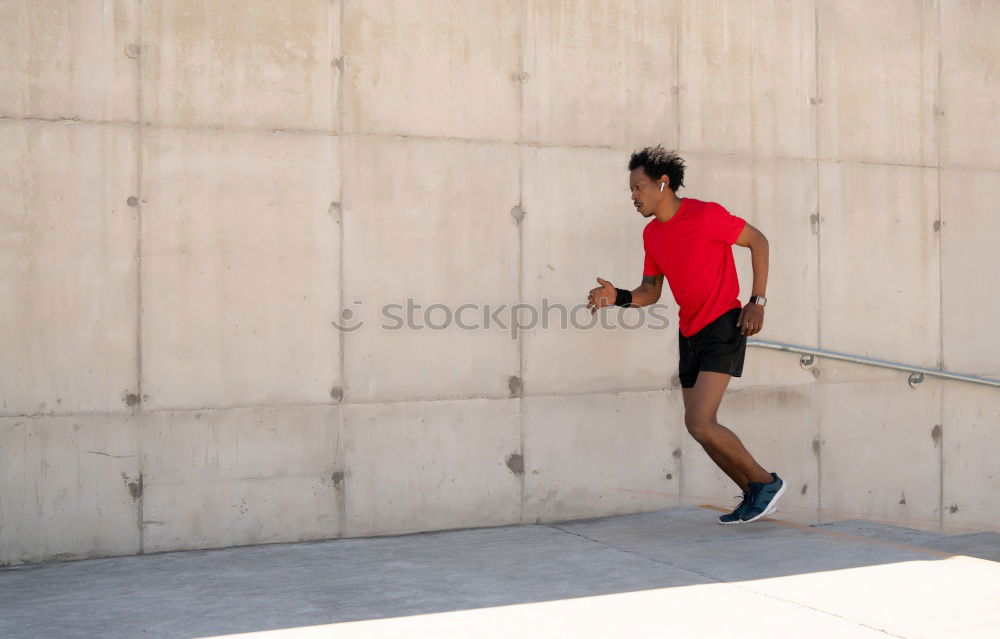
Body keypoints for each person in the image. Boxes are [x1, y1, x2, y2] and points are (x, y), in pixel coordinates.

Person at [586, 145, 784, 524]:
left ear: (663, 183)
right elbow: (651, 291)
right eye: (631, 190)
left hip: (723, 324)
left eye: (638, 188)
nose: (633, 196)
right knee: (699, 428)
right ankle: (753, 492)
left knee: (700, 421)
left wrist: (757, 301)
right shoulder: (652, 236)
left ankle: (765, 482)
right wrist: (618, 298)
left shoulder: (706, 215)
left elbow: (759, 241)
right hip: (689, 330)